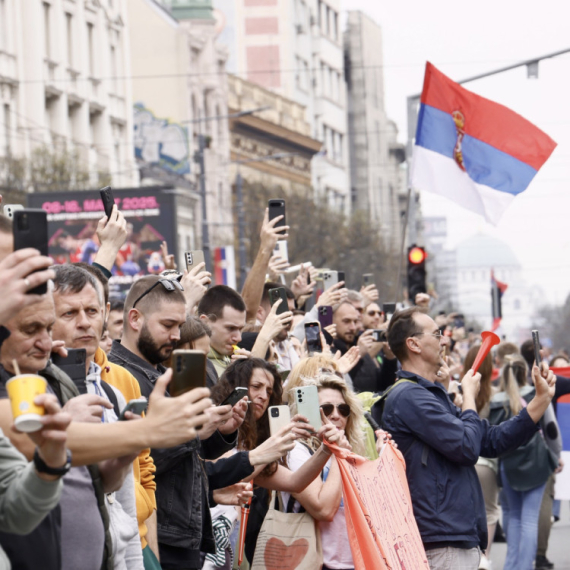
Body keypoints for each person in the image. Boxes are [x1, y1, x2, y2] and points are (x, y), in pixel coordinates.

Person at [374, 307, 556, 570]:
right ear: (413, 344)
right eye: (436, 334)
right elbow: (468, 447)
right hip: (441, 541)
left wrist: (540, 401)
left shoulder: (428, 395)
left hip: (453, 537)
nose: (444, 340)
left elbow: (490, 441)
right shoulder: (409, 397)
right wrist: (469, 396)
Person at [211, 359, 352, 564]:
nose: (262, 396)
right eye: (256, 387)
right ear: (235, 388)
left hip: (226, 544)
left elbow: (295, 482)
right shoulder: (212, 426)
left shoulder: (254, 445)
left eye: (269, 392)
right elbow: (220, 471)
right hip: (197, 535)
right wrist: (278, 442)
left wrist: (327, 450)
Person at [283, 373, 367, 570]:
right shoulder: (297, 451)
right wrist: (340, 454)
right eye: (326, 408)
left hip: (353, 562)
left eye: (343, 409)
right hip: (314, 562)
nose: (335, 415)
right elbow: (324, 509)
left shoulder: (351, 451)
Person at [488, 355, 558, 570]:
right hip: (536, 461)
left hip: (508, 463)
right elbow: (551, 429)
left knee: (514, 517)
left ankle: (511, 565)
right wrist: (555, 457)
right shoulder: (537, 394)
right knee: (529, 519)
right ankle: (525, 566)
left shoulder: (496, 400)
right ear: (525, 372)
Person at [462, 345, 498, 570]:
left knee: (468, 508)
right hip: (488, 464)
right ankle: (484, 556)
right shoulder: (495, 394)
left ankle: (472, 556)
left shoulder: (461, 390)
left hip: (466, 459)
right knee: (491, 511)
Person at [332, 301, 397, 393]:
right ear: (331, 321)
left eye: (355, 321)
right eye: (346, 321)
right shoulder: (327, 352)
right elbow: (337, 386)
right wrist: (358, 356)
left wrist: (390, 359)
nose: (353, 327)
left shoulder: (359, 345)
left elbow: (383, 386)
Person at [197, 285, 247, 380]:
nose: (239, 338)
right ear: (205, 322)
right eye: (231, 328)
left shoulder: (231, 359)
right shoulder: (194, 364)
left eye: (240, 329)